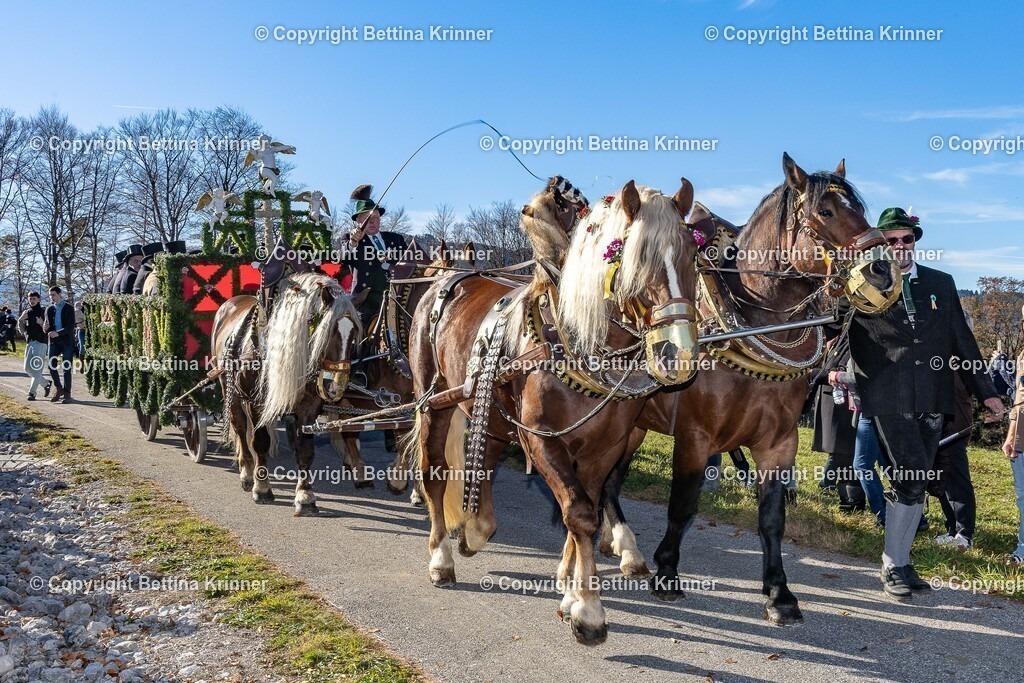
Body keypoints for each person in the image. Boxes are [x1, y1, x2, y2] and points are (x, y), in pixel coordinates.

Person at [847, 207, 1003, 602]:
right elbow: (837, 331)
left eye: (906, 239)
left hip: (933, 396)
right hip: (888, 396)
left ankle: (902, 561)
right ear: (881, 245)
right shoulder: (861, 284)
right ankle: (892, 563)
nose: (900, 246)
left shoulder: (940, 282)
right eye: (891, 240)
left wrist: (986, 391)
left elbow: (962, 340)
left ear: (915, 242)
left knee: (916, 479)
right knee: (913, 473)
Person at [341, 184, 408, 332]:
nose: (371, 222)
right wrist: (353, 242)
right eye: (366, 218)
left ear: (380, 220)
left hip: (398, 298)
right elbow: (344, 259)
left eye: (375, 218)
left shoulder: (396, 239)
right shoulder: (350, 240)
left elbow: (410, 262)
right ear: (358, 222)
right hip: (366, 301)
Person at [812, 339, 866, 513]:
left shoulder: (850, 339)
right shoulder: (836, 340)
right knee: (839, 451)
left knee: (843, 451)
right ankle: (834, 488)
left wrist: (815, 374)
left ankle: (846, 496)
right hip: (833, 401)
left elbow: (842, 369)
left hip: (843, 403)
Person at [1002, 305, 1024, 564]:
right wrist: (1011, 436)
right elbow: (1019, 400)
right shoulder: (1022, 356)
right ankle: (1023, 548)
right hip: (1021, 434)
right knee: (1022, 495)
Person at [44, 286, 77, 404]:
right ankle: (59, 388)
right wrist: (46, 329)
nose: (51, 297)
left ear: (59, 294)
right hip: (54, 341)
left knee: (66, 367)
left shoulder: (68, 308)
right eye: (50, 295)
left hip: (66, 340)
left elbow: (71, 326)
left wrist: (58, 333)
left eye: (53, 295)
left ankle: (67, 393)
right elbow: (47, 325)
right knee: (51, 365)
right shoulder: (49, 309)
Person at [18, 292, 52, 401]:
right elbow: (22, 330)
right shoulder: (27, 312)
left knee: (36, 369)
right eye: (30, 299)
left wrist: (41, 323)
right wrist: (21, 320)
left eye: (34, 298)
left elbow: (49, 329)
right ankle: (46, 383)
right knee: (27, 368)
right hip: (30, 342)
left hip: (41, 342)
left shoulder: (44, 311)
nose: (32, 301)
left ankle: (32, 393)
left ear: (39, 299)